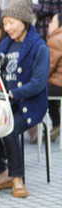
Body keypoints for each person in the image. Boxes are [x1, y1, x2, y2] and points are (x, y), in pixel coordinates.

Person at [0, 0, 50, 198]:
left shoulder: (39, 47)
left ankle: (18, 179)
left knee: (9, 129)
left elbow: (37, 84)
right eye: (5, 23)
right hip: (8, 103)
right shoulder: (6, 45)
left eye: (11, 23)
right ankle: (4, 172)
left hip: (31, 104)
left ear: (24, 21)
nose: (7, 28)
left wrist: (11, 93)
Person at [47, 13, 62, 141]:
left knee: (40, 89)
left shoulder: (56, 39)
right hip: (59, 83)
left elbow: (48, 67)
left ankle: (55, 124)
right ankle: (56, 124)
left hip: (59, 85)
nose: (49, 25)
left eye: (52, 22)